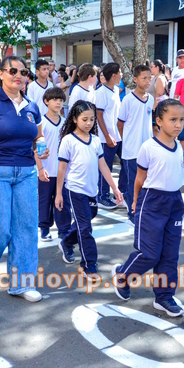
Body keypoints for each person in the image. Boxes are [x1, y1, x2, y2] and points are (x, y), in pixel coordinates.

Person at [0, 55, 44, 302]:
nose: (19, 75)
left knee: (25, 227)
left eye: (24, 72)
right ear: (0, 73)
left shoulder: (32, 106)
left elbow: (38, 137)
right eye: (13, 70)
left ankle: (22, 284)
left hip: (26, 172)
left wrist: (41, 148)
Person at [112, 99, 184, 317]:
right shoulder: (149, 147)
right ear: (159, 121)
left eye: (181, 119)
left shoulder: (179, 146)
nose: (178, 124)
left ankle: (164, 297)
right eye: (173, 119)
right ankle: (123, 276)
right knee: (150, 253)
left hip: (174, 201)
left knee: (170, 254)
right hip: (152, 201)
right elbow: (139, 179)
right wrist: (135, 201)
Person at [54, 100, 123, 274]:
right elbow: (62, 168)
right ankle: (89, 264)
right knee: (85, 228)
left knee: (85, 220)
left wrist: (114, 188)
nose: (89, 123)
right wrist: (58, 194)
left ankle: (67, 241)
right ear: (75, 119)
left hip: (92, 191)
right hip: (75, 190)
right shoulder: (68, 140)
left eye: (92, 119)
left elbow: (104, 166)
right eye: (84, 119)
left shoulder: (95, 141)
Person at [117, 64, 154, 225]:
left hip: (147, 149)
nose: (147, 81)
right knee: (134, 183)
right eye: (144, 78)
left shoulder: (150, 99)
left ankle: (143, 210)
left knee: (147, 182)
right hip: (131, 150)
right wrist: (127, 141)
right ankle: (133, 214)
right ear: (135, 79)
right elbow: (120, 124)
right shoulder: (128, 99)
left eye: (149, 77)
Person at [37, 87, 65, 242]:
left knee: (61, 200)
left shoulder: (65, 122)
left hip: (62, 170)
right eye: (55, 99)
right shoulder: (41, 122)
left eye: (61, 100)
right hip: (46, 169)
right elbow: (35, 146)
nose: (58, 102)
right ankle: (44, 228)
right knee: (45, 200)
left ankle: (62, 229)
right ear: (46, 101)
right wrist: (40, 168)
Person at [94, 62, 123, 210]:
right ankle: (102, 197)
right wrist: (107, 136)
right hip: (107, 138)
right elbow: (99, 115)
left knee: (127, 164)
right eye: (120, 72)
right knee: (106, 167)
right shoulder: (101, 92)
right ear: (113, 75)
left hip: (119, 136)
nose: (122, 75)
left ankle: (122, 194)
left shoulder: (116, 90)